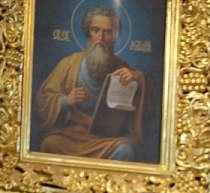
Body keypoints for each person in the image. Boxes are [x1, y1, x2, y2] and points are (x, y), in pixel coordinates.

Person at [35, 6, 146, 161]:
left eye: (107, 32)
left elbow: (150, 103)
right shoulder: (68, 64)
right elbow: (43, 100)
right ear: (88, 32)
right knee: (50, 143)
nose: (101, 37)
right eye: (95, 30)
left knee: (125, 150)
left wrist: (138, 77)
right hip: (72, 136)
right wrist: (66, 100)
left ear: (114, 37)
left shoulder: (123, 68)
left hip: (106, 140)